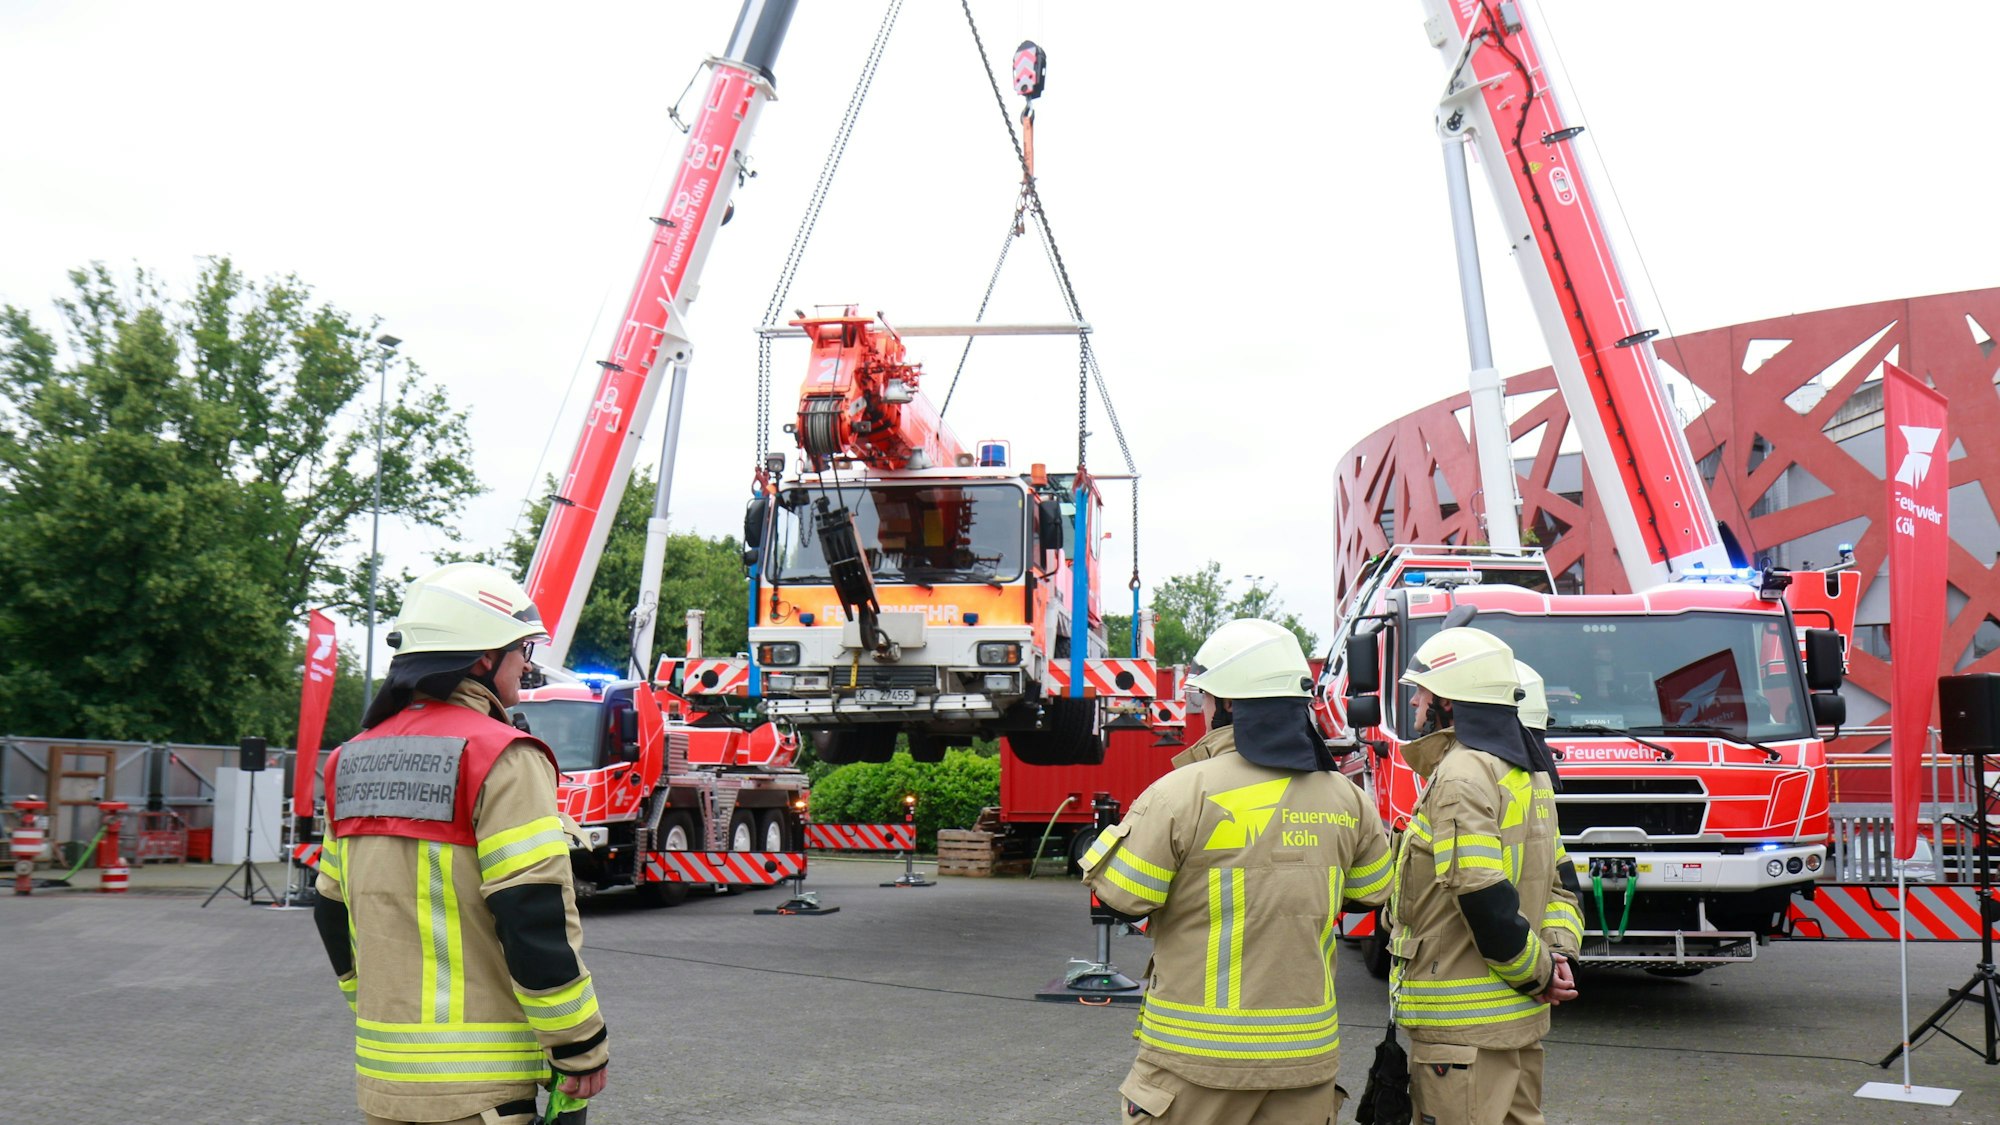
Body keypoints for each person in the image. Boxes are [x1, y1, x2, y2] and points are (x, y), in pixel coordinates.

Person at [313, 563, 609, 1125]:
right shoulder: (502, 756)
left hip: (383, 1081)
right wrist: (579, 1045)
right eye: (521, 647)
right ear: (482, 658)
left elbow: (330, 909)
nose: (527, 662)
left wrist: (381, 1007)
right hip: (480, 1092)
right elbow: (532, 911)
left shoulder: (350, 758)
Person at [1081, 618, 1393, 1123]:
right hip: (1304, 1061)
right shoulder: (1349, 799)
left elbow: (1121, 898)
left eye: (1206, 698)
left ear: (1228, 704)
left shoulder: (1182, 792)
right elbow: (1369, 895)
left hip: (1196, 1063)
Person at [1388, 630, 1581, 1125]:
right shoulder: (1528, 773)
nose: (1415, 700)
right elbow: (1561, 883)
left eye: (1423, 691)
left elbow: (1482, 894)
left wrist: (1537, 975)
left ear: (1448, 703)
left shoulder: (1461, 775)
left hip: (1461, 1031)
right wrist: (1556, 956)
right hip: (1518, 1025)